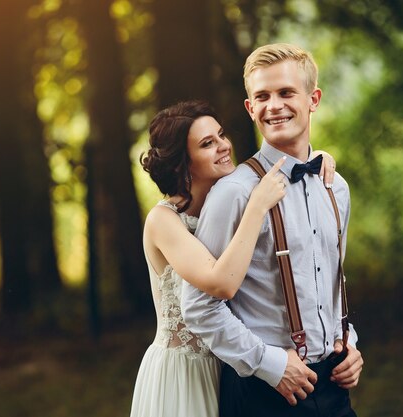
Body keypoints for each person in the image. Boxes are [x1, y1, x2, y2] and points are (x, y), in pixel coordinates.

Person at [181, 43, 364, 417]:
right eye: (262, 96)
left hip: (334, 387)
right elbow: (199, 306)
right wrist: (269, 364)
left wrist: (350, 343)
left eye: (286, 93)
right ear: (250, 109)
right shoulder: (232, 193)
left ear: (313, 99)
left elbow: (330, 283)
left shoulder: (336, 188)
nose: (274, 105)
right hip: (262, 393)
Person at [129, 100, 339, 417]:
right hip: (186, 372)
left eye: (221, 135)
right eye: (206, 144)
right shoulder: (164, 221)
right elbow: (221, 284)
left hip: (232, 364)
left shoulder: (227, 203)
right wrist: (256, 208)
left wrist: (311, 160)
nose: (223, 146)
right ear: (180, 163)